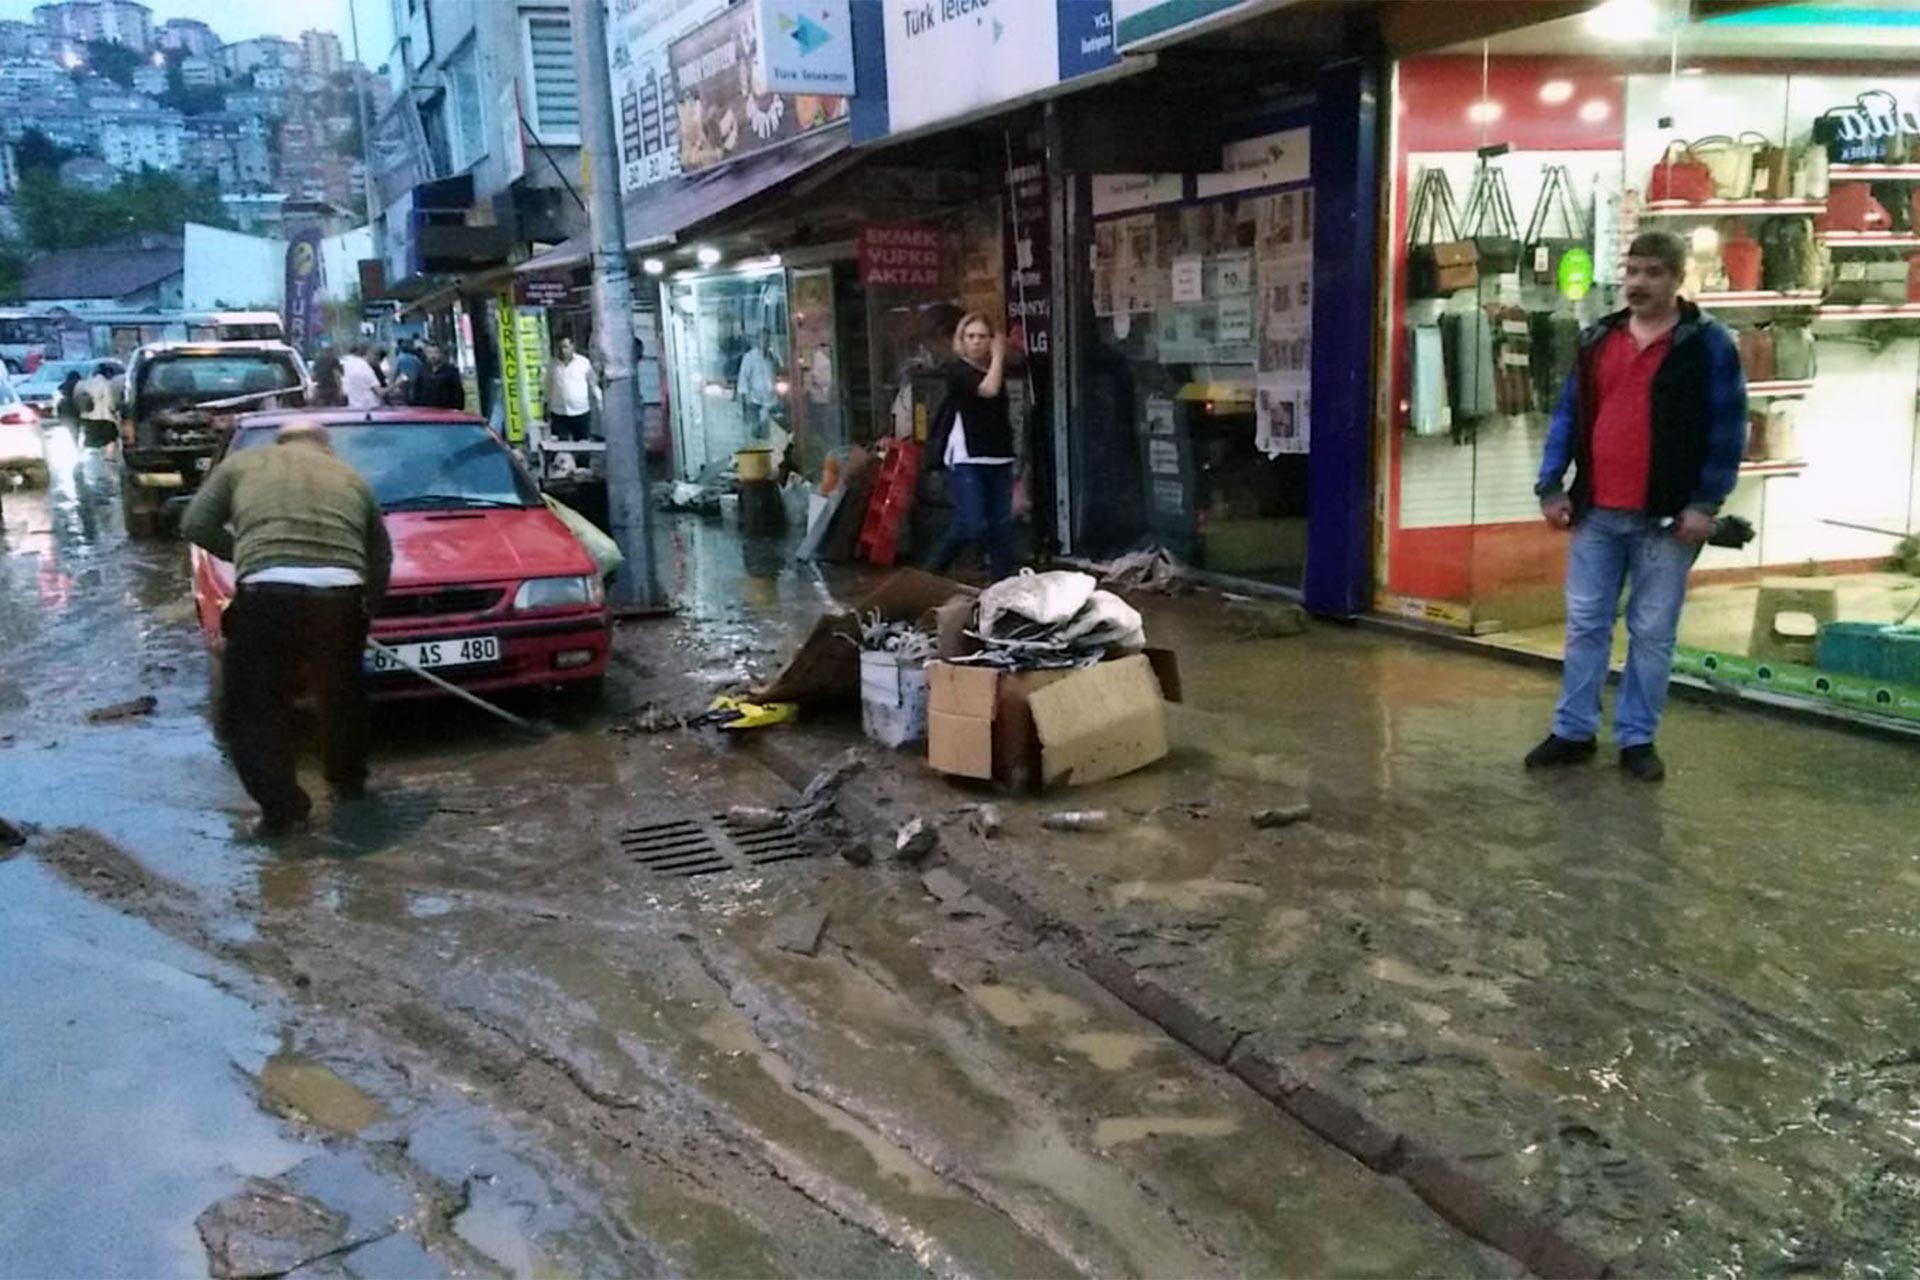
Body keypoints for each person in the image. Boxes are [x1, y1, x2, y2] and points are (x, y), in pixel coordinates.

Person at [1527, 229, 1746, 782]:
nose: (1639, 283)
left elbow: (1727, 429)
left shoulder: (1709, 345)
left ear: (1677, 279)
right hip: (1597, 512)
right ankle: (1574, 730)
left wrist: (1704, 504)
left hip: (1667, 520)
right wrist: (1551, 486)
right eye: (1632, 271)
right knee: (1584, 624)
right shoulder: (1599, 338)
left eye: (1653, 273)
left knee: (1651, 631)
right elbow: (1568, 415)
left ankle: (1636, 740)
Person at [180, 421, 392, 837]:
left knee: (254, 708)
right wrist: (368, 609)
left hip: (266, 596)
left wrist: (248, 555)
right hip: (339, 597)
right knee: (342, 697)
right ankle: (348, 789)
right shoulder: (351, 478)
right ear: (326, 447)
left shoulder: (242, 465)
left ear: (281, 442)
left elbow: (194, 524)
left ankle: (283, 809)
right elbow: (380, 556)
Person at [928, 313, 1016, 582]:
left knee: (1000, 524)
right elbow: (988, 390)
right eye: (971, 337)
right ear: (962, 341)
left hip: (999, 455)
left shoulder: (995, 369)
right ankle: (933, 569)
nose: (977, 342)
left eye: (982, 337)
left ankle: (1001, 582)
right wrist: (999, 355)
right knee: (971, 523)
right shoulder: (957, 371)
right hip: (968, 456)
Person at [543, 335, 601, 440]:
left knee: (583, 444)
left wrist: (599, 402)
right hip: (559, 412)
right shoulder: (552, 365)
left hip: (580, 411)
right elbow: (548, 386)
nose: (562, 350)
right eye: (560, 347)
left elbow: (593, 384)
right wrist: (545, 405)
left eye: (565, 347)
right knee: (561, 447)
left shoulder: (583, 363)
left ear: (572, 347)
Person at [735, 336, 779, 438]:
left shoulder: (771, 356)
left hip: (771, 399)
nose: (766, 342)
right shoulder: (749, 357)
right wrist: (746, 399)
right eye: (763, 339)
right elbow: (743, 378)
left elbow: (775, 374)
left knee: (770, 430)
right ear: (758, 341)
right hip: (755, 400)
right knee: (755, 430)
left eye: (768, 340)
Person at [78, 361, 121, 456]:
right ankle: (109, 456)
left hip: (87, 416)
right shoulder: (105, 383)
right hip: (103, 416)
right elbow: (109, 400)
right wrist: (114, 410)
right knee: (111, 437)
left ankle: (81, 457)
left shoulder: (87, 383)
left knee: (90, 439)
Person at [410, 341, 465, 410]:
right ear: (426, 354)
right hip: (426, 411)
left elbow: (458, 394)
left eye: (436, 352)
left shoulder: (451, 371)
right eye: (430, 353)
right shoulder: (422, 370)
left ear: (441, 354)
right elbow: (416, 392)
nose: (433, 356)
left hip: (446, 411)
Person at [340, 342, 383, 410]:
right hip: (369, 407)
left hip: (353, 406)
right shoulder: (366, 368)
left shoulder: (346, 362)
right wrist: (397, 383)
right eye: (376, 355)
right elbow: (380, 392)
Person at [389, 339, 424, 404]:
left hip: (403, 381)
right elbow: (421, 370)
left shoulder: (399, 358)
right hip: (414, 381)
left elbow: (394, 372)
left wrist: (392, 383)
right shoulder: (415, 359)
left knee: (404, 399)